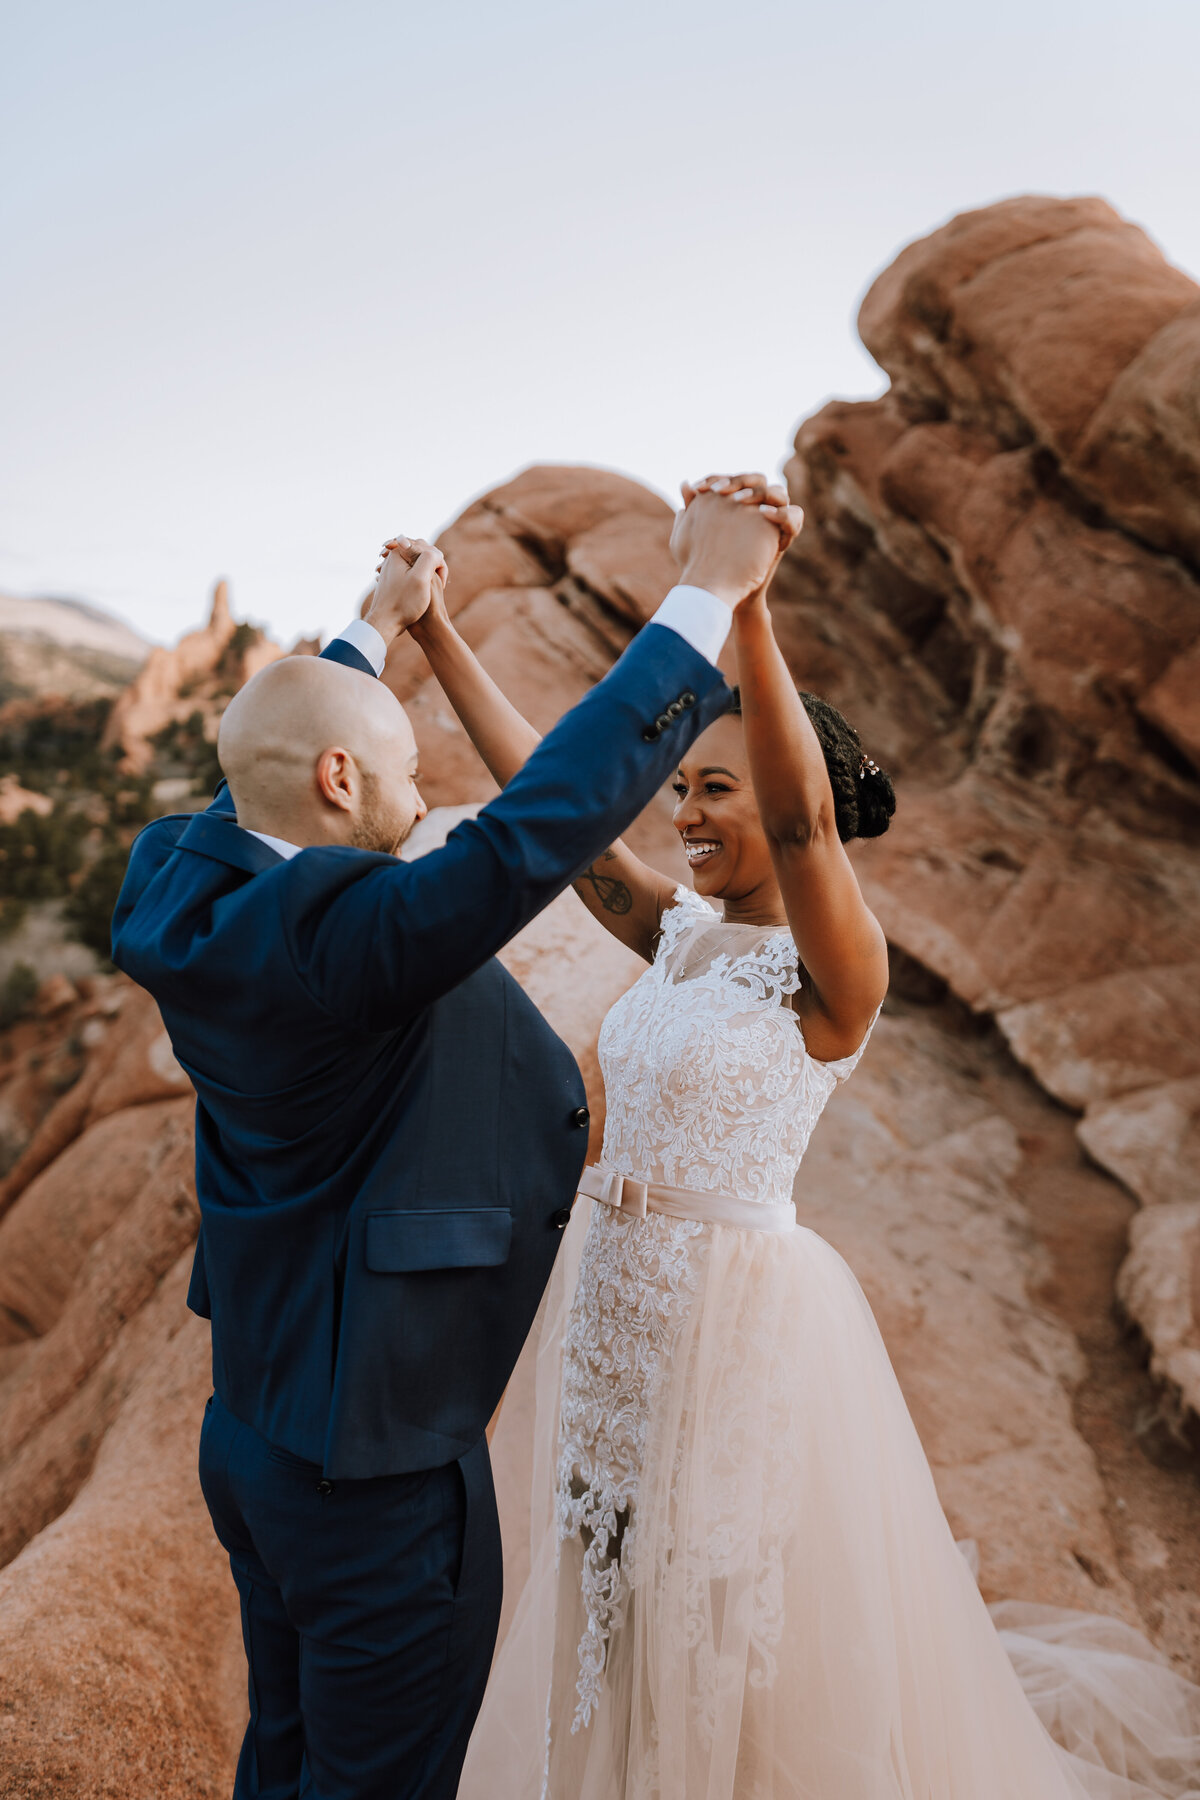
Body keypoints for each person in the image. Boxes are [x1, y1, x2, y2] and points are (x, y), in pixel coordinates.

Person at [398, 474, 1200, 1800]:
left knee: (713, 1596)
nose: (689, 814)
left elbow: (806, 817)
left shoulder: (840, 974)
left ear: (785, 802)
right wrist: (434, 634)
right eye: (682, 790)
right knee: (606, 1577)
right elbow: (558, 805)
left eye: (719, 790)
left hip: (735, 1318)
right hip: (608, 1299)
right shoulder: (681, 934)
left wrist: (748, 608)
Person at [109, 484, 801, 1800]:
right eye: (405, 783)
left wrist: (372, 633)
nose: (417, 807)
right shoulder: (345, 938)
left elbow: (257, 769)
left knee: (291, 1748)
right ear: (337, 780)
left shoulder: (178, 877)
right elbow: (540, 826)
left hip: (256, 1428)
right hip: (372, 1465)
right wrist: (703, 595)